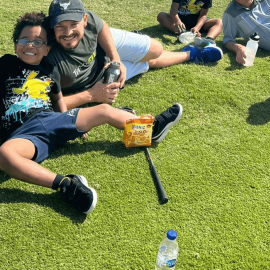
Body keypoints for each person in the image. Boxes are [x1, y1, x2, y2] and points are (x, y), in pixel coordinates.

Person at [0, 12, 183, 214]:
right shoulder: (6, 63)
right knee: (5, 154)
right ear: (16, 43)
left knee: (103, 110)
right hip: (24, 135)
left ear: (47, 48)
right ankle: (67, 185)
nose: (30, 45)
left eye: (38, 42)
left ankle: (149, 131)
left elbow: (58, 99)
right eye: (24, 40)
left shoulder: (50, 69)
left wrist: (68, 124)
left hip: (51, 120)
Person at [46, 0, 221, 109]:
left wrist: (116, 58)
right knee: (145, 62)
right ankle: (192, 53)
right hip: (97, 78)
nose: (67, 32)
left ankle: (130, 46)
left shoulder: (89, 20)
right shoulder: (47, 56)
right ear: (51, 26)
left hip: (102, 46)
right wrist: (92, 95)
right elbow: (49, 104)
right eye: (60, 26)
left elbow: (100, 26)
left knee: (156, 49)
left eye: (73, 24)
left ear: (84, 20)